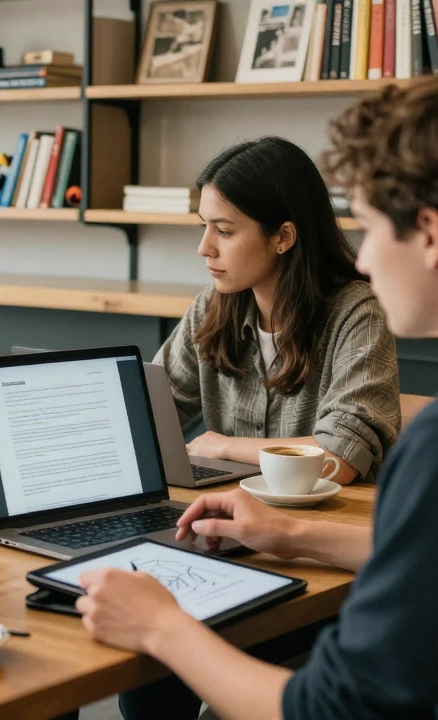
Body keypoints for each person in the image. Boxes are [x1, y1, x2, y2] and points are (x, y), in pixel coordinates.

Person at [77, 70, 438, 720]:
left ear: (432, 233)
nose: (364, 260)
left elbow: (331, 708)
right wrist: (290, 533)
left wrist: (159, 628)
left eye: (370, 228)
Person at [157, 136, 399, 488]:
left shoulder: (358, 314)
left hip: (323, 526)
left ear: (283, 237)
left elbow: (340, 459)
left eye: (223, 230)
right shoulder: (210, 308)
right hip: (229, 515)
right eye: (204, 226)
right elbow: (148, 415)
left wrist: (225, 446)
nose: (204, 248)